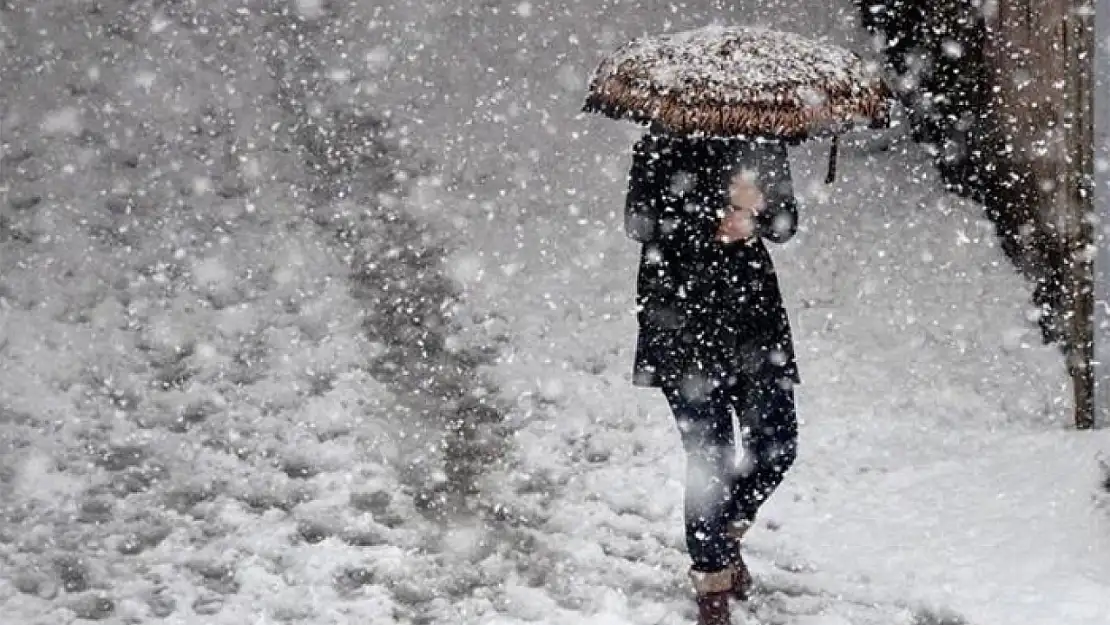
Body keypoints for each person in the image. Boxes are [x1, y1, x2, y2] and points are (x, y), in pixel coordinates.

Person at [624, 131, 800, 625]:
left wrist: (758, 214)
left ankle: (722, 534)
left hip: (753, 320)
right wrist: (716, 214)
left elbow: (786, 225)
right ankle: (711, 585)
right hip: (681, 319)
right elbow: (640, 223)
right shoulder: (660, 142)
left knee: (777, 443)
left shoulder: (763, 139)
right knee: (710, 457)